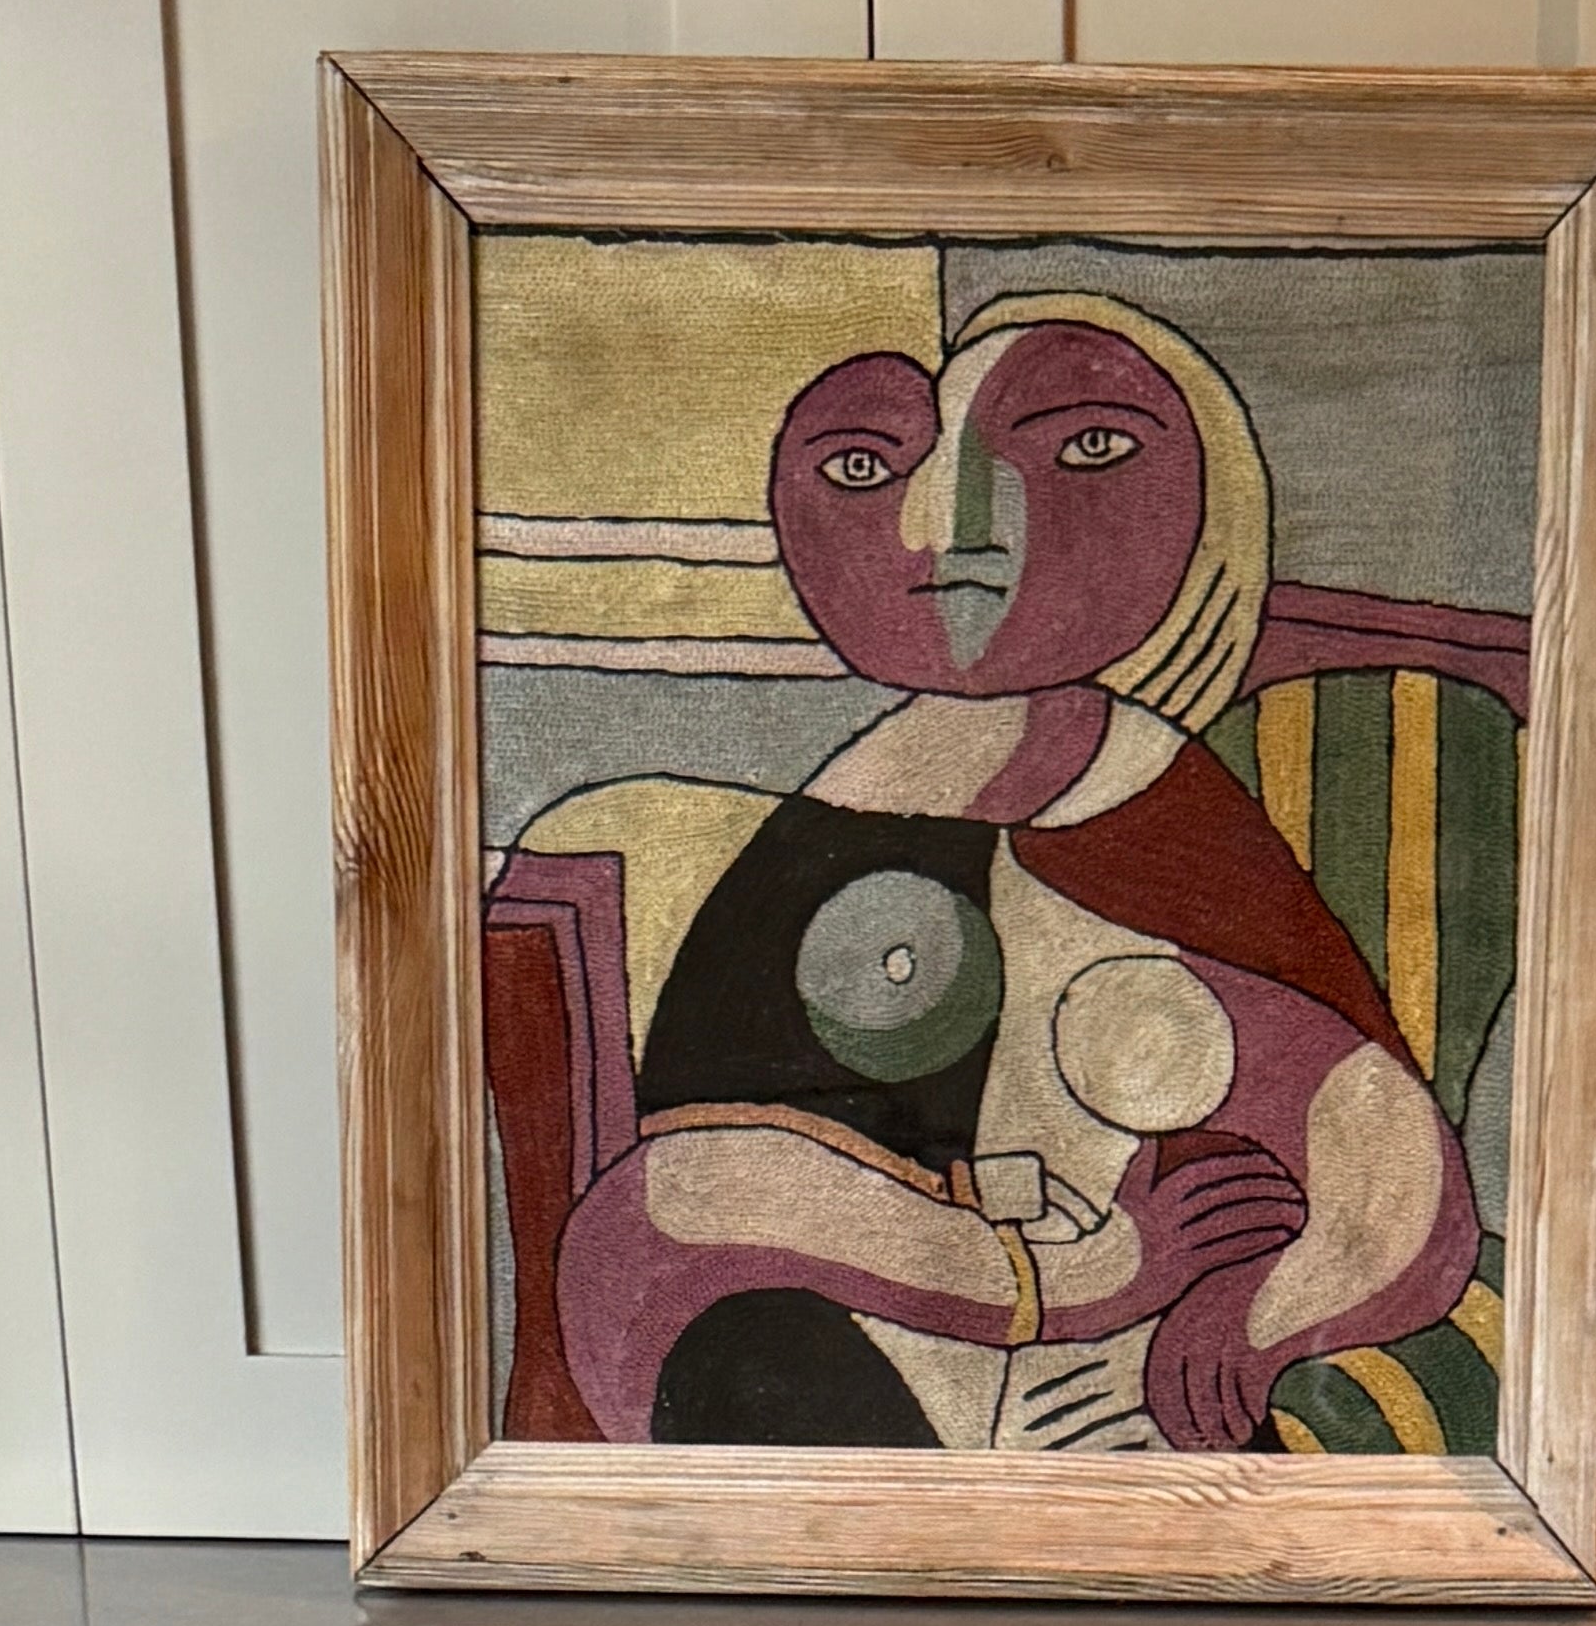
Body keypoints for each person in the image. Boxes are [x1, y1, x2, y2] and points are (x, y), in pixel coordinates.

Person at [544, 301, 1480, 1452]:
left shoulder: (1163, 815)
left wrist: (1262, 1317)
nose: (950, 531)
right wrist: (1070, 1275)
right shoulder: (833, 825)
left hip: (1124, 1414)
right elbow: (672, 1210)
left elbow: (1386, 1161)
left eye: (1083, 449)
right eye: (862, 467)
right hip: (854, 1390)